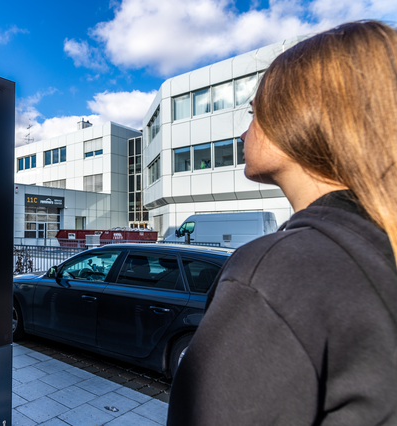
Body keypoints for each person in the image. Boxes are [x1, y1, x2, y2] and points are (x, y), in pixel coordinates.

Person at [167, 20, 397, 425]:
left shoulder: (274, 270)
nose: (242, 133)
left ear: (302, 118)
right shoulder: (376, 247)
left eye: (254, 113)